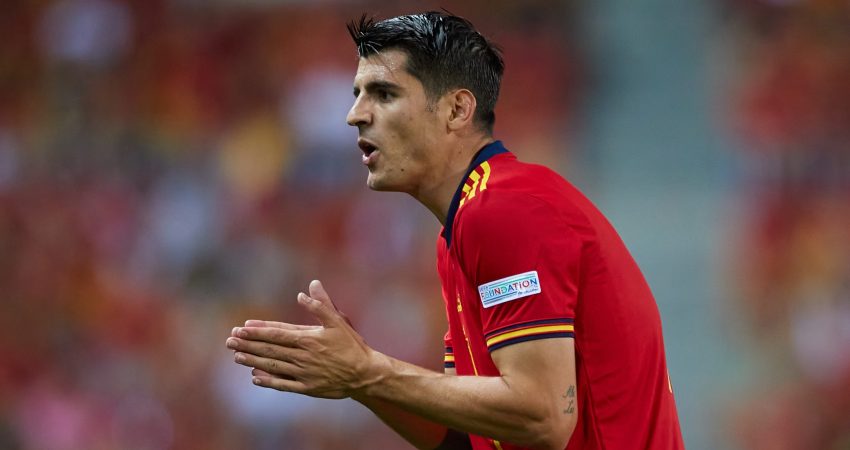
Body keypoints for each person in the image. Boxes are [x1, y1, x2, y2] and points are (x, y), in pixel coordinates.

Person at [225, 11, 684, 450]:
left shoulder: (504, 210)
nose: (356, 114)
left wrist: (369, 371)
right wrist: (360, 379)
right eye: (358, 94)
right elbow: (467, 436)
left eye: (384, 94)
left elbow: (544, 416)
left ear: (457, 109)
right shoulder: (463, 227)